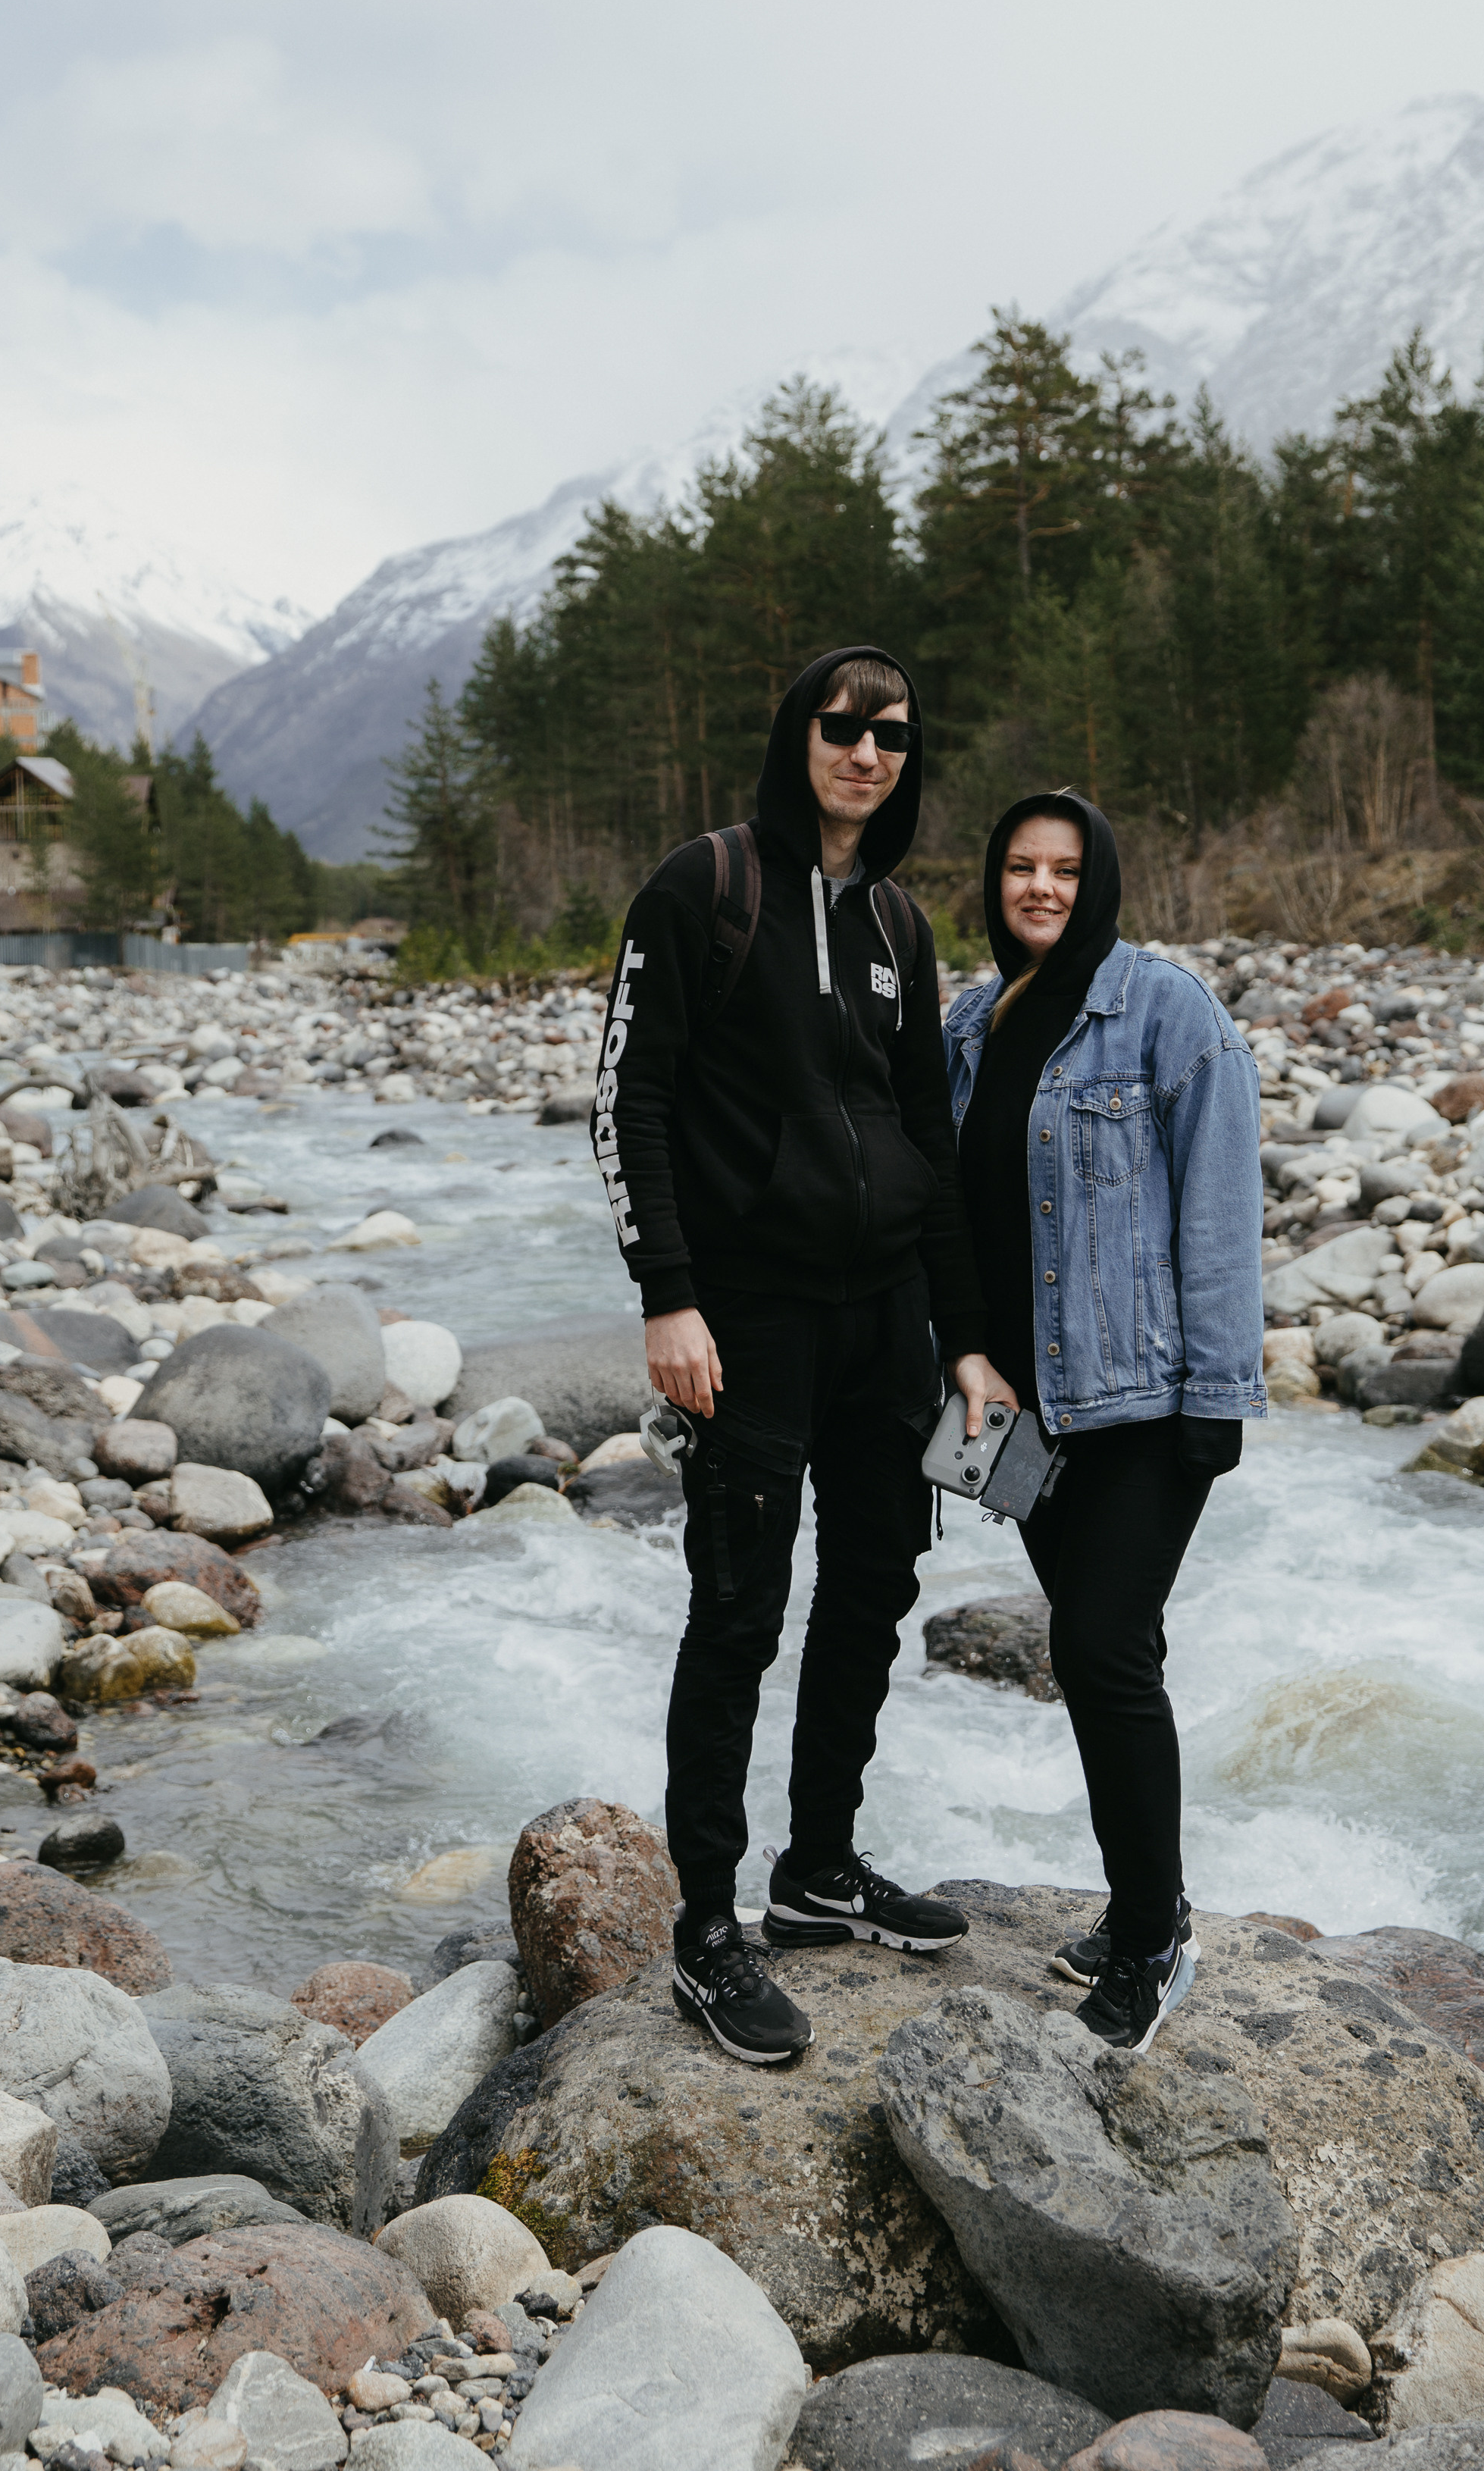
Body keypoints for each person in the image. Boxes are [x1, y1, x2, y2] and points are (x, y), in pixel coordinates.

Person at [593, 643, 1012, 2065]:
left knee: (877, 1577)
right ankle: (708, 1929)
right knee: (738, 1612)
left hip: (884, 1314)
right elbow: (629, 1103)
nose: (868, 753)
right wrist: (669, 1296)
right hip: (750, 1318)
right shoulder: (704, 888)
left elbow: (932, 1149)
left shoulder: (900, 922)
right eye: (843, 728)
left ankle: (818, 1867)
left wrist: (965, 1342)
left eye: (893, 736)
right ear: (800, 737)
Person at [944, 792, 1266, 2051]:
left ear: (1102, 880)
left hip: (1135, 1397)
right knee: (1095, 1659)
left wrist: (1218, 1401)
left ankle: (1152, 1936)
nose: (1041, 887)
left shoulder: (1167, 1011)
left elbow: (1220, 1205)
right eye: (1020, 868)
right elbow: (949, 1219)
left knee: (1103, 1646)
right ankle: (1151, 1896)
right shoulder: (972, 1026)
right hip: (1005, 1406)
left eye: (1065, 869)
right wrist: (955, 1359)